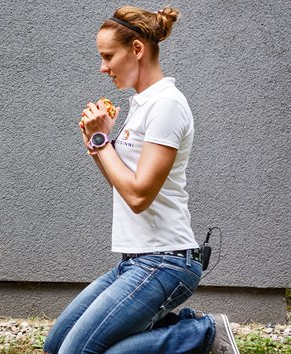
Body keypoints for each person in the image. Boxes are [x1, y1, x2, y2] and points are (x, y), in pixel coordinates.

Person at [43, 6, 240, 354]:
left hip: (166, 261)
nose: (102, 67)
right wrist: (94, 143)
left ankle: (206, 334)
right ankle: (177, 328)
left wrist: (103, 141)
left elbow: (138, 197)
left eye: (107, 56)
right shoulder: (140, 105)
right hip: (134, 261)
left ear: (137, 49)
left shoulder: (167, 105)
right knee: (56, 345)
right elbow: (123, 185)